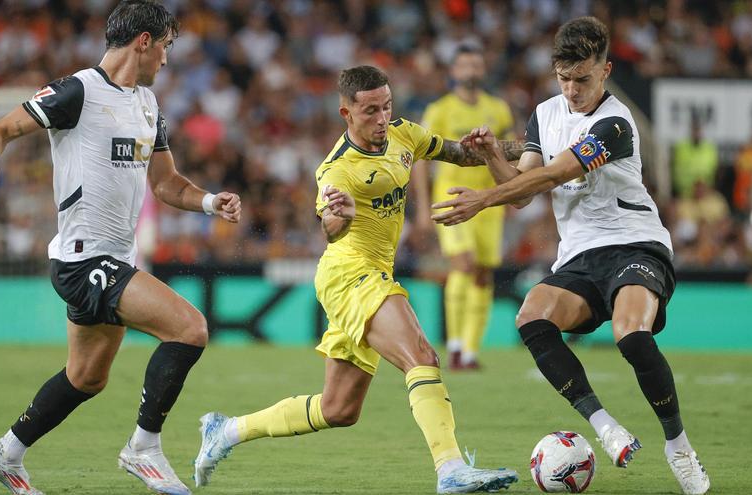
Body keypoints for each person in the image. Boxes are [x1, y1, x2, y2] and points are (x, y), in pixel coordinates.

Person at [192, 65, 519, 494]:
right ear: (346, 113)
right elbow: (329, 226)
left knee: (339, 408)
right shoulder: (336, 169)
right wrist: (339, 217)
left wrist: (516, 148)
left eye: (386, 107)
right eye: (370, 111)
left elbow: (461, 154)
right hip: (350, 272)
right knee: (421, 355)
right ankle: (451, 469)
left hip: (371, 273)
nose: (382, 118)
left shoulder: (405, 133)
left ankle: (227, 430)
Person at [0, 2, 241, 494]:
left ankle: (5, 453)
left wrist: (210, 202)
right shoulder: (78, 91)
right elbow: (1, 128)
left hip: (115, 260)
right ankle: (143, 447)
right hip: (83, 259)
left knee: (87, 378)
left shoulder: (148, 105)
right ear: (144, 41)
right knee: (190, 328)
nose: (167, 60)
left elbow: (167, 184)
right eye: (168, 47)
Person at [430, 17, 710, 495]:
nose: (572, 90)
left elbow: (553, 176)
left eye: (582, 79)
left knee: (631, 335)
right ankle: (605, 426)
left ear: (605, 71)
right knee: (531, 318)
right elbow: (521, 189)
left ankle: (679, 447)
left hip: (634, 242)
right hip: (580, 254)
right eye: (564, 79)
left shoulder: (616, 123)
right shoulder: (545, 113)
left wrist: (480, 200)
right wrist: (495, 157)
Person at [413, 43, 521, 370]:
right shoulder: (440, 110)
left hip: (490, 202)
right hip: (453, 196)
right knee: (463, 264)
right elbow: (420, 158)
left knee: (483, 274)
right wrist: (421, 208)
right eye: (464, 66)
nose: (471, 71)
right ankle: (456, 347)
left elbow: (512, 150)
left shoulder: (498, 109)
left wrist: (514, 188)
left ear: (482, 70)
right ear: (453, 72)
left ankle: (471, 351)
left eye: (476, 65)